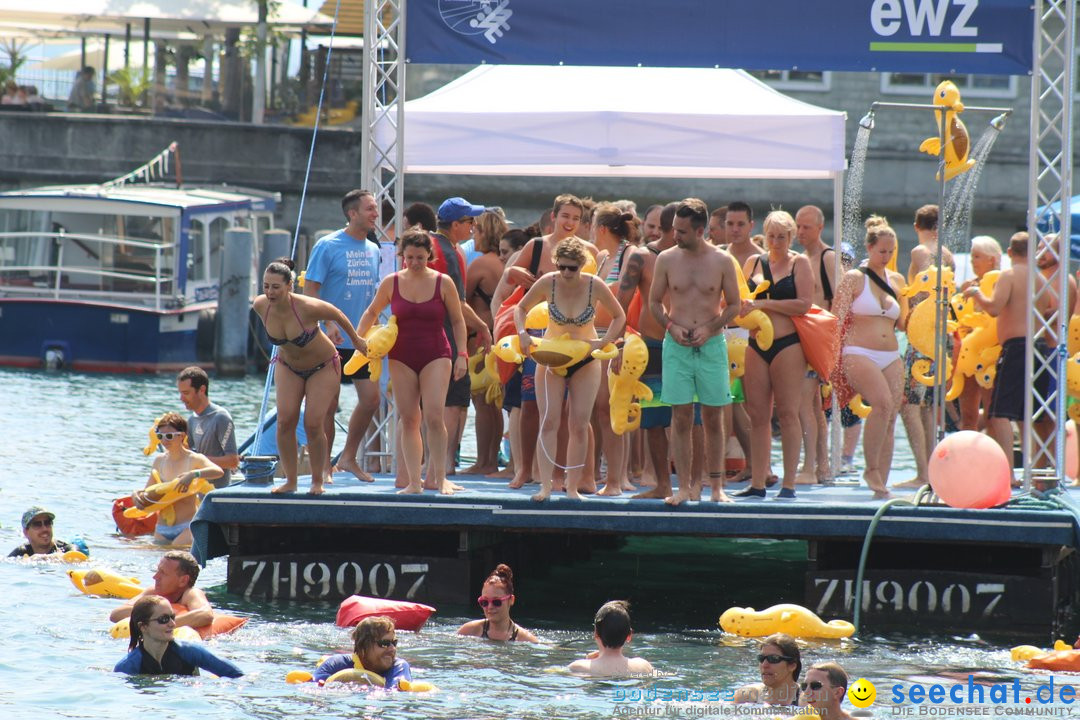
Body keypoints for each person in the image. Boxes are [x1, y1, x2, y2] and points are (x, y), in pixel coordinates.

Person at [500, 195, 601, 492]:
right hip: (540, 336)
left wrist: (604, 340)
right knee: (532, 407)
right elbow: (508, 282)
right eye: (565, 216)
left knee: (579, 414)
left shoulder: (589, 251)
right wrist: (510, 272)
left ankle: (581, 476)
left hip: (580, 341)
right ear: (553, 217)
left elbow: (599, 297)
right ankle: (525, 470)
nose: (569, 223)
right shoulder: (537, 246)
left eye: (576, 218)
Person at [357, 229, 468, 494]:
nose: (415, 263)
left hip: (437, 354)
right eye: (409, 257)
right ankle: (414, 483)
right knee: (408, 419)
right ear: (401, 256)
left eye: (420, 257)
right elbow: (372, 312)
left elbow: (457, 320)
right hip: (402, 355)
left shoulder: (443, 282)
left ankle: (438, 477)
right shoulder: (392, 282)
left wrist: (462, 354)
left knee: (433, 415)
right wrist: (359, 341)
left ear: (429, 255)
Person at [514, 237, 625, 501]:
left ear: (582, 266)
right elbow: (521, 307)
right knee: (549, 420)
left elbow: (620, 315)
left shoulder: (594, 285)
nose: (566, 273)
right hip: (552, 357)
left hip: (585, 358)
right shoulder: (548, 282)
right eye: (562, 266)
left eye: (572, 268)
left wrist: (603, 342)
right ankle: (545, 486)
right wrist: (523, 333)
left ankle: (572, 487)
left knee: (579, 424)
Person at [649, 199, 741, 505]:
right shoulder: (665, 259)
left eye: (683, 231)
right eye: (675, 229)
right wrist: (671, 326)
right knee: (681, 415)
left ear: (700, 230)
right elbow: (654, 303)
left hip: (711, 344)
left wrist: (711, 328)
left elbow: (735, 305)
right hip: (676, 344)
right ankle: (685, 488)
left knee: (714, 417)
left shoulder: (722, 261)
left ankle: (716, 486)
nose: (675, 235)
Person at [253, 257, 369, 495]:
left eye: (276, 287)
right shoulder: (260, 305)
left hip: (323, 366)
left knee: (314, 423)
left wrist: (356, 341)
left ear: (289, 286)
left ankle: (317, 480)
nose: (270, 292)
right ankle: (291, 481)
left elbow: (337, 313)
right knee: (285, 421)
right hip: (287, 365)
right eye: (266, 286)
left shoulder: (307, 306)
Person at [304, 189, 383, 482]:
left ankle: (348, 457)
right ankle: (324, 467)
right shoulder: (327, 245)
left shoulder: (374, 249)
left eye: (375, 209)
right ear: (352, 213)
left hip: (361, 339)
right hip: (329, 339)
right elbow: (310, 291)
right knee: (328, 404)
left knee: (371, 399)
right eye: (370, 209)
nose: (376, 214)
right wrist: (326, 323)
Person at [737, 210, 813, 500]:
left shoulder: (799, 262)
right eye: (771, 235)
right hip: (756, 344)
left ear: (791, 237)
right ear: (764, 235)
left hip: (787, 344)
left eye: (782, 236)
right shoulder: (753, 262)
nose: (776, 241)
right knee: (757, 415)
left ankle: (789, 484)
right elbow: (739, 299)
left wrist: (765, 305)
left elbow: (804, 304)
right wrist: (744, 307)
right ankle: (758, 481)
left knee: (788, 413)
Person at [965, 232, 1056, 467]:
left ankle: (1007, 470)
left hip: (1016, 347)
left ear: (1009, 253)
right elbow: (1049, 311)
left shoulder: (1009, 274)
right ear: (1033, 252)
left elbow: (994, 308)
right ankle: (1032, 469)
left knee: (999, 412)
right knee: (1028, 414)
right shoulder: (1040, 279)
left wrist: (977, 294)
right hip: (1039, 348)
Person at [835, 217, 908, 499]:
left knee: (891, 416)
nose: (887, 257)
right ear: (869, 247)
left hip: (890, 353)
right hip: (858, 352)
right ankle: (871, 470)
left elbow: (902, 324)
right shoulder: (854, 278)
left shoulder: (897, 280)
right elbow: (836, 317)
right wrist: (831, 361)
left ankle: (882, 482)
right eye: (882, 251)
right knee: (882, 404)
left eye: (891, 251)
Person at [615, 203, 677, 500]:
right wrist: (617, 345)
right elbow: (620, 305)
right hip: (652, 344)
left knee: (694, 417)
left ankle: (696, 482)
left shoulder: (696, 255)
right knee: (653, 420)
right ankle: (663, 484)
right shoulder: (642, 258)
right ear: (672, 229)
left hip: (687, 347)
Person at [430, 197, 495, 476]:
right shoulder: (451, 252)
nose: (473, 227)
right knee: (454, 402)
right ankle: (444, 465)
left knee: (423, 403)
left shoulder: (424, 245)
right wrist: (483, 327)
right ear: (455, 224)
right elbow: (458, 304)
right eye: (469, 222)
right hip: (445, 335)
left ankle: (424, 466)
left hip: (418, 333)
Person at [899, 204, 953, 488]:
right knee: (928, 406)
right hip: (942, 335)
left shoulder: (921, 252)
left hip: (923, 333)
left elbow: (924, 289)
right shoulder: (949, 254)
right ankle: (932, 472)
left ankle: (923, 473)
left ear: (916, 226)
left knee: (908, 405)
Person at [590, 202, 640, 495]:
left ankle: (618, 479)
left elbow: (623, 302)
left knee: (614, 409)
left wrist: (619, 344)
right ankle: (599, 473)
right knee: (597, 409)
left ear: (602, 228)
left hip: (619, 338)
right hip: (596, 338)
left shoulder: (629, 254)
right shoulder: (601, 257)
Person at [464, 209, 509, 475]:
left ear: (485, 232)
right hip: (498, 336)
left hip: (479, 338)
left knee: (481, 402)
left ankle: (483, 461)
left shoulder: (480, 264)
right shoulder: (504, 263)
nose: (473, 235)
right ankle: (492, 459)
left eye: (476, 230)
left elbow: (460, 299)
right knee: (494, 404)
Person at [134, 412, 224, 545]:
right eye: (160, 436)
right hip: (162, 527)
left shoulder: (194, 459)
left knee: (177, 555)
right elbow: (149, 490)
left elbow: (218, 471)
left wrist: (193, 474)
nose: (164, 441)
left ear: (182, 436)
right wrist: (136, 494)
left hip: (186, 526)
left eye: (169, 436)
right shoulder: (159, 460)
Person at [795, 205, 836, 485]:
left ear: (820, 228)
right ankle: (822, 467)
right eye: (798, 226)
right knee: (814, 407)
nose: (800, 232)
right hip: (800, 338)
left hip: (818, 339)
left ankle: (810, 466)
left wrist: (833, 348)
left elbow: (838, 303)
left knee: (805, 405)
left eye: (806, 227)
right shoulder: (798, 258)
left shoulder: (827, 257)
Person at [114, 595, 243, 677]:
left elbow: (236, 675)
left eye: (172, 617)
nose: (172, 624)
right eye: (164, 619)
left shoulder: (190, 652)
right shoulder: (128, 666)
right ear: (143, 627)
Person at [956, 236, 1003, 431]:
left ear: (991, 259)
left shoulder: (1002, 283)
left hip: (991, 353)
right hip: (968, 350)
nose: (972, 261)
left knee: (993, 414)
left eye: (977, 257)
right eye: (972, 257)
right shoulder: (968, 285)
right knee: (968, 415)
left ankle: (995, 457)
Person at [109, 551, 215, 632]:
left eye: (163, 573)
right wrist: (155, 618)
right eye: (157, 570)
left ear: (183, 580)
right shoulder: (153, 592)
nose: (155, 577)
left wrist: (162, 624)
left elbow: (206, 614)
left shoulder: (190, 594)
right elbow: (116, 614)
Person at [176, 367, 238, 488]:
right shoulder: (192, 419)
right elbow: (187, 453)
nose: (181, 398)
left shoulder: (221, 417)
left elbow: (233, 461)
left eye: (186, 393)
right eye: (180, 393)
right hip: (196, 492)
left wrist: (198, 460)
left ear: (202, 390)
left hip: (216, 494)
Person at [313, 616, 413, 687]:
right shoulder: (336, 664)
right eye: (385, 643)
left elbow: (395, 695)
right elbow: (315, 687)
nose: (392, 648)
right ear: (363, 646)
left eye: (394, 643)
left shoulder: (398, 667)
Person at [568, 600, 653, 677]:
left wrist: (587, 662)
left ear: (596, 633)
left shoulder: (578, 667)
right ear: (629, 636)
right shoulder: (643, 666)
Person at [457, 563, 539, 642]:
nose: (490, 607)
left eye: (496, 602)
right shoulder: (468, 631)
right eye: (484, 602)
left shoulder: (526, 640)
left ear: (511, 600)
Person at [733, 633, 802, 705]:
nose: (764, 665)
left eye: (773, 659)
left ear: (792, 666)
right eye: (761, 658)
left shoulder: (807, 700)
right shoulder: (747, 696)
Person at [8, 507, 77, 557]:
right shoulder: (20, 553)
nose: (44, 528)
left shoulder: (67, 549)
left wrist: (41, 558)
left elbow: (77, 559)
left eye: (47, 523)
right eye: (37, 524)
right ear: (26, 532)